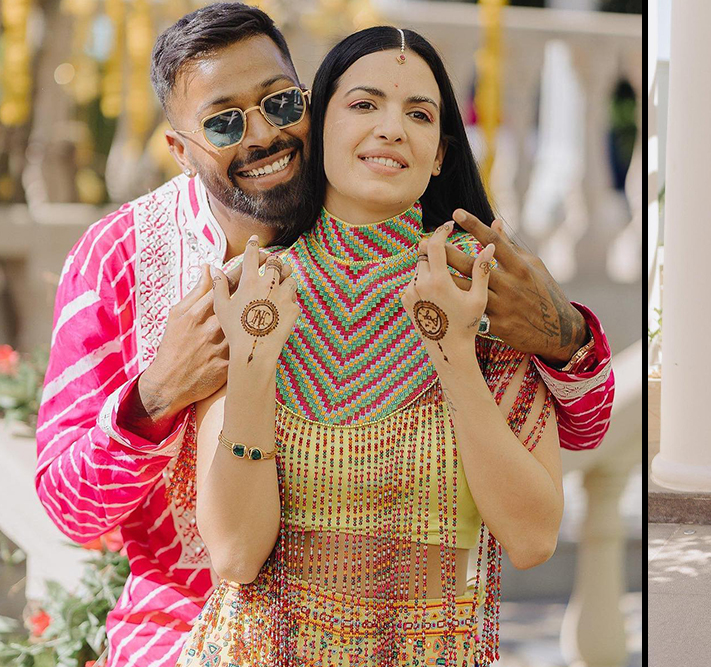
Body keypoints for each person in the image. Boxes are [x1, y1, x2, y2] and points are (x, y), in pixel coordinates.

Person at [34, 4, 615, 666]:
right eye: (224, 122)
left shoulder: (467, 276)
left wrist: (562, 336)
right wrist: (160, 390)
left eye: (280, 103)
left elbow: (571, 456)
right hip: (186, 624)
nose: (262, 135)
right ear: (179, 147)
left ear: (310, 104)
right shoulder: (137, 260)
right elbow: (76, 510)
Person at [176, 25, 561, 665]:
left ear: (440, 153)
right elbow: (237, 555)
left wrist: (456, 358)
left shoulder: (489, 291)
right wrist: (253, 366)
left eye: (419, 113)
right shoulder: (255, 289)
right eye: (363, 104)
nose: (391, 128)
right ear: (317, 126)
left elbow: (532, 538)